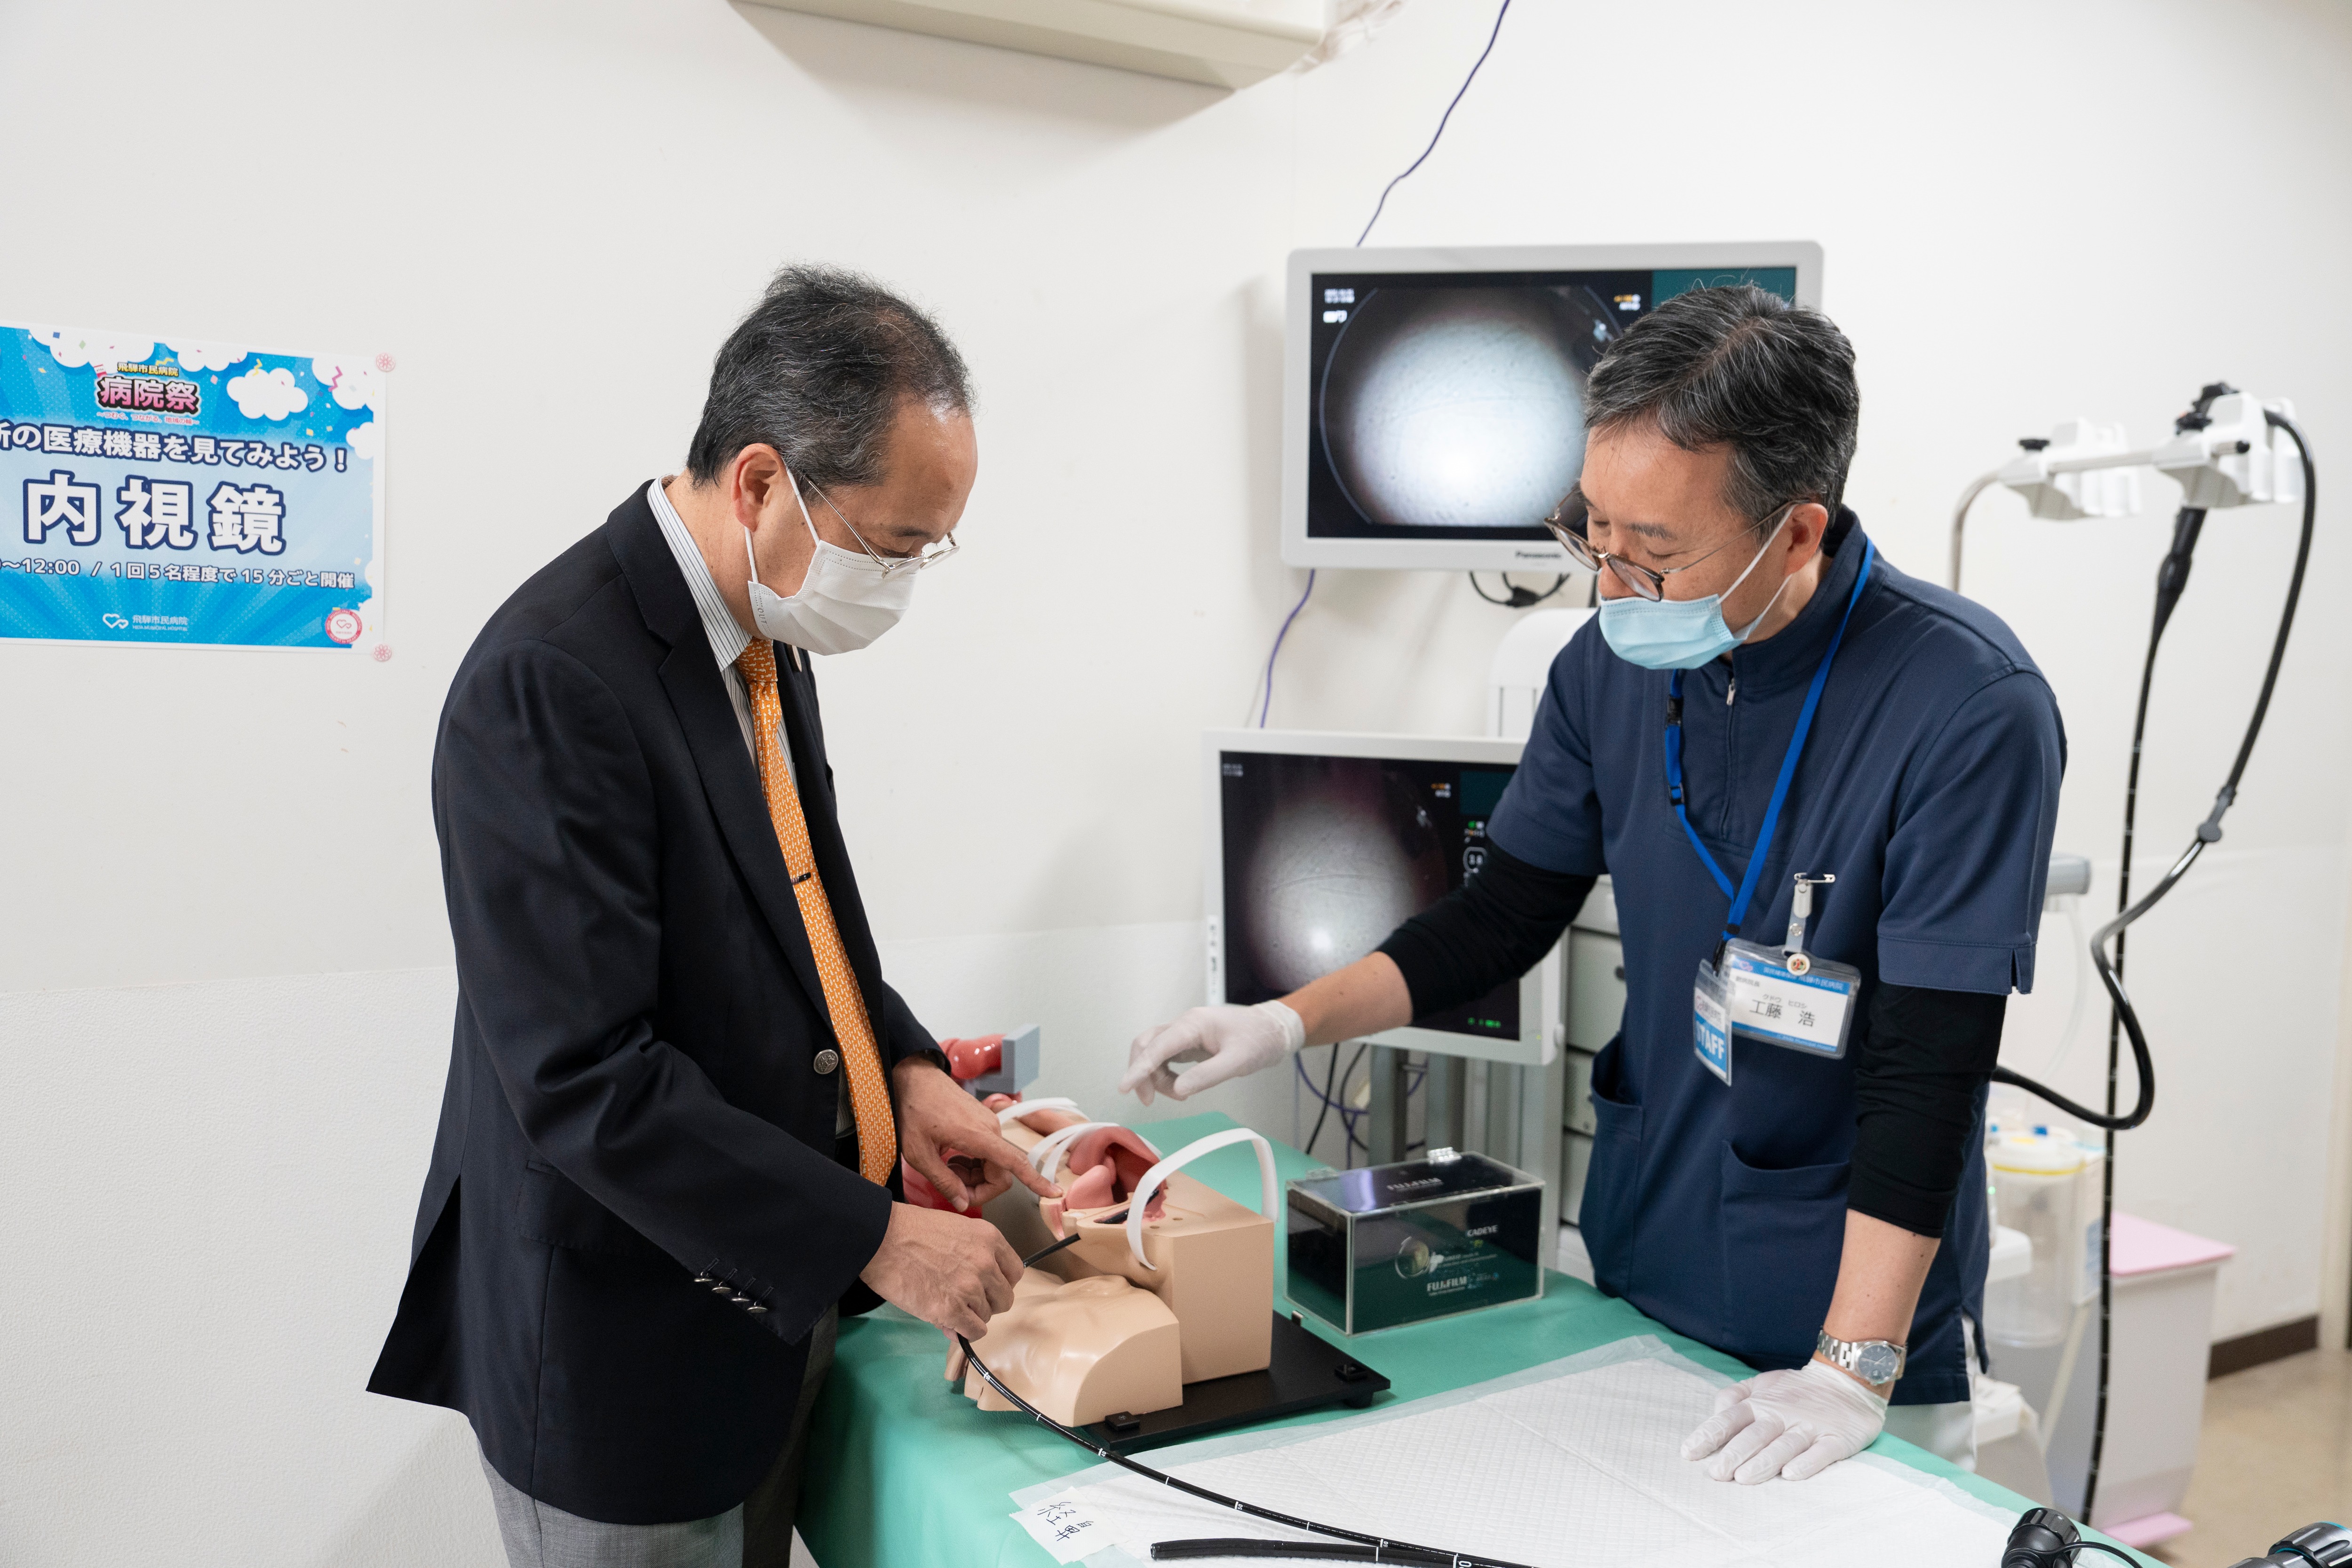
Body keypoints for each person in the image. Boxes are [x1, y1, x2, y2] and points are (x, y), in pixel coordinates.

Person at [1120, 285, 2063, 1483]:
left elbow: (1931, 1069)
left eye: (1655, 554)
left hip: (1847, 1316)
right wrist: (1281, 1018)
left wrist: (1853, 1364)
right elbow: (1501, 917)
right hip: (1650, 1251)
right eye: (1592, 534)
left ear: (1796, 532)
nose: (1611, 586)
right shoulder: (1603, 670)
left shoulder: (1966, 705)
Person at [368, 265, 1058, 1567]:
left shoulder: (758, 630)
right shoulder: (553, 679)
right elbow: (585, 1080)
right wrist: (876, 1237)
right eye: (896, 544)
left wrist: (903, 1069)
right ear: (760, 482)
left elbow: (802, 901)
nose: (905, 582)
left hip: (768, 1307)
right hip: (628, 1340)